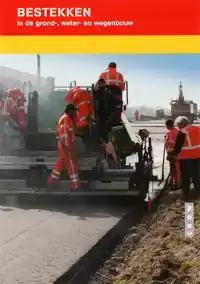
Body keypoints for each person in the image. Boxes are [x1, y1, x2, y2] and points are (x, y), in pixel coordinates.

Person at [48, 104, 80, 190]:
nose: (74, 113)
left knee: (60, 163)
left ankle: (51, 181)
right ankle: (75, 186)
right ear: (69, 111)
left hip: (63, 145)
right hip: (66, 145)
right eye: (73, 111)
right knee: (71, 165)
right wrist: (67, 145)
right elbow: (64, 133)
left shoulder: (65, 118)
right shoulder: (66, 119)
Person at [167, 116, 200, 200]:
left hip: (186, 158)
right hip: (198, 157)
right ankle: (198, 193)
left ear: (181, 124)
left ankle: (186, 195)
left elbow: (178, 147)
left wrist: (171, 155)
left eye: (178, 125)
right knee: (197, 176)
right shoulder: (197, 128)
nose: (178, 127)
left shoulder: (182, 132)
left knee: (186, 177)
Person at [0, 88, 26, 154]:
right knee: (14, 150)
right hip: (11, 129)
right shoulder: (16, 100)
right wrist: (20, 126)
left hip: (8, 127)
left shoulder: (6, 99)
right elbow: (11, 117)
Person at [164, 118, 181, 189]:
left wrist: (168, 153)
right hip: (179, 154)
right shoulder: (178, 132)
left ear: (167, 126)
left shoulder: (169, 134)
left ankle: (176, 184)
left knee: (173, 170)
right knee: (178, 169)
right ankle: (176, 183)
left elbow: (168, 145)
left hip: (172, 154)